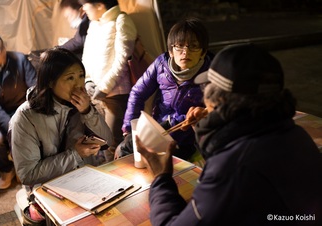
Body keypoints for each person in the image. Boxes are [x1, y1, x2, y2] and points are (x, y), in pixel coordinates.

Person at [136, 43, 322, 226]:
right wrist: (209, 128)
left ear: (219, 100)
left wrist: (161, 178)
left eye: (205, 88)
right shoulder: (294, 134)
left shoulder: (236, 167)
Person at [9, 47, 113, 188]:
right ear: (50, 82)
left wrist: (88, 111)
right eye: (70, 78)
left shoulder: (82, 106)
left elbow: (107, 142)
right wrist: (75, 154)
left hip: (85, 180)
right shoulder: (25, 117)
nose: (78, 84)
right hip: (47, 189)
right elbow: (28, 174)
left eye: (81, 76)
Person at [120, 17, 213, 161]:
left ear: (203, 52)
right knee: (125, 151)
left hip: (189, 138)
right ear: (170, 50)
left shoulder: (211, 73)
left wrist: (173, 123)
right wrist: (129, 129)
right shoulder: (161, 64)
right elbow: (137, 93)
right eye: (179, 46)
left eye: (193, 46)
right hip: (158, 131)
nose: (185, 52)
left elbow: (212, 110)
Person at [80, 0, 138, 160]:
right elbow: (87, 58)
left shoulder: (121, 20)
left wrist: (104, 87)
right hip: (96, 93)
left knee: (114, 145)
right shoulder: (94, 24)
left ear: (100, 5)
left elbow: (122, 60)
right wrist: (87, 80)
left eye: (86, 4)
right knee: (102, 143)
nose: (83, 8)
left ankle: (124, 182)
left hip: (116, 95)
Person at [0, 30, 37, 189]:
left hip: (23, 109)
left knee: (31, 132)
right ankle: (7, 170)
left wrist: (26, 115)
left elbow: (34, 88)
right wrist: (12, 126)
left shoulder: (19, 59)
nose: (3, 51)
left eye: (2, 46)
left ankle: (26, 168)